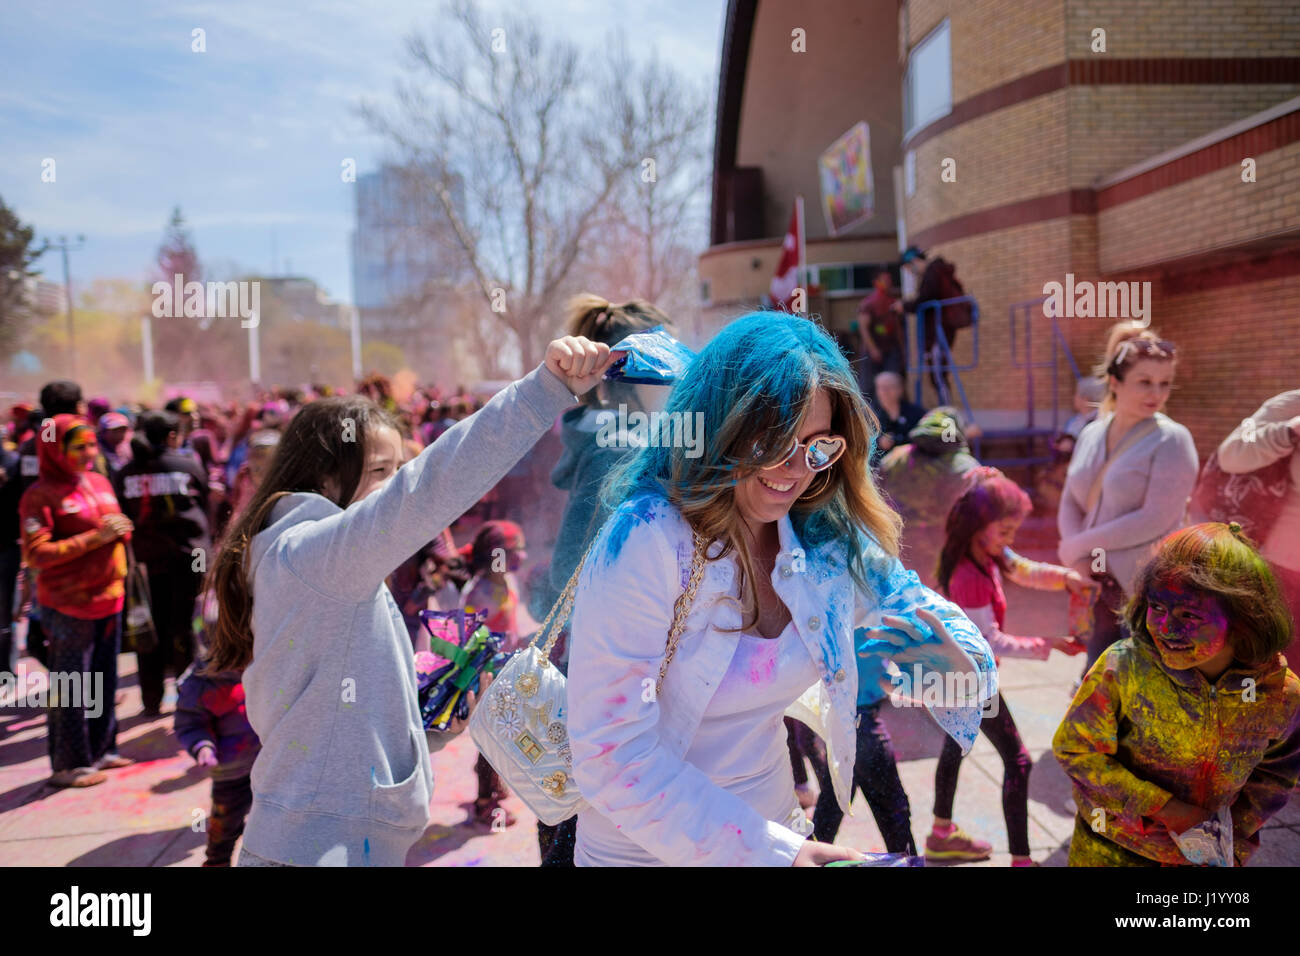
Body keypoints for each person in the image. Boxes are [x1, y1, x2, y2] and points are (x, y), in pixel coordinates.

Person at [564, 311, 997, 867]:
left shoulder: (819, 537)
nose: (796, 469)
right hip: (646, 851)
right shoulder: (646, 539)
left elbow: (912, 601)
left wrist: (960, 660)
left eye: (819, 447)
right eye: (773, 441)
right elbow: (612, 758)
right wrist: (781, 854)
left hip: (776, 829)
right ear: (723, 425)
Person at [206, 335, 610, 867]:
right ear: (327, 477)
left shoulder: (309, 559)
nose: (394, 486)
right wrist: (546, 390)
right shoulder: (314, 557)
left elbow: (334, 715)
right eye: (380, 472)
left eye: (399, 467)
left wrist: (431, 730)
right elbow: (429, 488)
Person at [1054, 523, 1300, 866]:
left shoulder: (1279, 694)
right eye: (1158, 608)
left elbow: (1277, 776)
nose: (1167, 628)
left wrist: (1227, 833)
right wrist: (1168, 811)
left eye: (1189, 614)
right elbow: (1076, 749)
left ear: (1244, 617)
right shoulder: (1123, 667)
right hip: (1110, 851)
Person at [927, 467, 1093, 865]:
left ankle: (940, 833)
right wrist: (1046, 645)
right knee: (1019, 760)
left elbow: (1023, 569)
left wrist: (1066, 578)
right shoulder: (970, 575)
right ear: (978, 526)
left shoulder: (986, 552)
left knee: (956, 745)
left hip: (953, 676)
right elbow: (989, 641)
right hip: (969, 681)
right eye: (1005, 531)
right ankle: (1021, 859)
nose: (1010, 540)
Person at [1057, 329, 1199, 674]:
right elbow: (1071, 499)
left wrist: (1075, 546)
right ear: (1115, 382)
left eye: (1165, 384)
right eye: (1145, 381)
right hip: (1096, 581)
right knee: (1096, 681)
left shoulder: (1173, 439)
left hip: (1147, 589)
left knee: (1143, 685)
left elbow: (1154, 518)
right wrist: (1078, 558)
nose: (1156, 393)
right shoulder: (1091, 432)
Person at [18, 415, 134, 788]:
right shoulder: (39, 496)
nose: (89, 453)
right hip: (68, 607)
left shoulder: (99, 481)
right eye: (78, 447)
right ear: (55, 451)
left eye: (91, 445)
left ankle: (102, 752)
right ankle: (68, 766)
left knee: (104, 679)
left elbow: (110, 526)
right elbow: (37, 555)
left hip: (110, 599)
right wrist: (97, 538)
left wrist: (120, 530)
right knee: (70, 685)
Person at [114, 411, 212, 717]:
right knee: (184, 630)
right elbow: (207, 509)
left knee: (149, 632)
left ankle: (151, 700)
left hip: (144, 565)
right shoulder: (187, 466)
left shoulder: (126, 472)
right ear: (172, 436)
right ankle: (187, 697)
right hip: (188, 561)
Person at [1213, 390, 1300, 669]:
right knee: (1272, 672)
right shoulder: (1289, 404)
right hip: (1282, 573)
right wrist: (1288, 431)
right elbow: (1232, 452)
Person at [460, 520, 528, 828]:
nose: (523, 556)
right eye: (517, 550)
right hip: (488, 678)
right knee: (491, 742)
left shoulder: (502, 583)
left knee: (499, 738)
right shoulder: (480, 595)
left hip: (503, 674)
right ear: (497, 555)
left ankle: (493, 787)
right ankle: (485, 803)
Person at [174, 650, 261, 866]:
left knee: (268, 821)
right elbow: (190, 723)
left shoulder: (261, 667)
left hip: (266, 764)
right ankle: (217, 861)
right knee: (225, 825)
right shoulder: (200, 683)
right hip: (230, 773)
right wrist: (202, 746)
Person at [896, 246, 969, 404]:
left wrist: (905, 306)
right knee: (938, 374)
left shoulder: (933, 272)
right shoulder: (936, 272)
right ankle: (946, 411)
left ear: (914, 262)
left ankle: (947, 412)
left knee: (938, 375)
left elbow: (926, 297)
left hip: (939, 331)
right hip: (938, 330)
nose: (910, 273)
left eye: (908, 269)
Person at [857, 271, 906, 397]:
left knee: (893, 382)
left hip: (891, 349)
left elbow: (898, 329)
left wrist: (902, 350)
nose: (889, 283)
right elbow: (863, 328)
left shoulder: (893, 302)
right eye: (885, 280)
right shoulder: (869, 303)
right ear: (876, 282)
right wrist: (873, 349)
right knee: (868, 387)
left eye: (890, 280)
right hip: (873, 351)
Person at [870, 371, 926, 465]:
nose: (885, 391)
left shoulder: (916, 413)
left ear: (900, 389)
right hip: (880, 470)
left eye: (889, 387)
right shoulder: (870, 415)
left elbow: (925, 438)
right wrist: (879, 442)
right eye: (881, 387)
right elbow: (862, 443)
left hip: (911, 466)